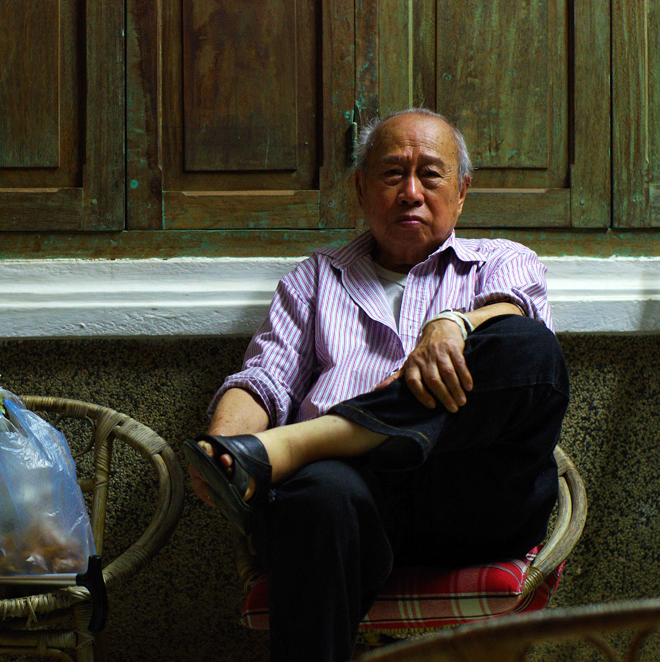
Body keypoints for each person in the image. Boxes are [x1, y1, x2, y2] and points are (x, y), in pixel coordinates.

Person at [184, 108, 569, 661]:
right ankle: (291, 454)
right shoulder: (314, 279)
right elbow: (263, 379)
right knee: (317, 497)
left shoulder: (501, 261)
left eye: (430, 174)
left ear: (462, 192)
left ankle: (294, 446)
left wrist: (453, 324)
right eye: (392, 174)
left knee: (529, 347)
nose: (410, 192)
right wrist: (225, 444)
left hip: (471, 498)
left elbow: (515, 330)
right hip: (351, 503)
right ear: (361, 190)